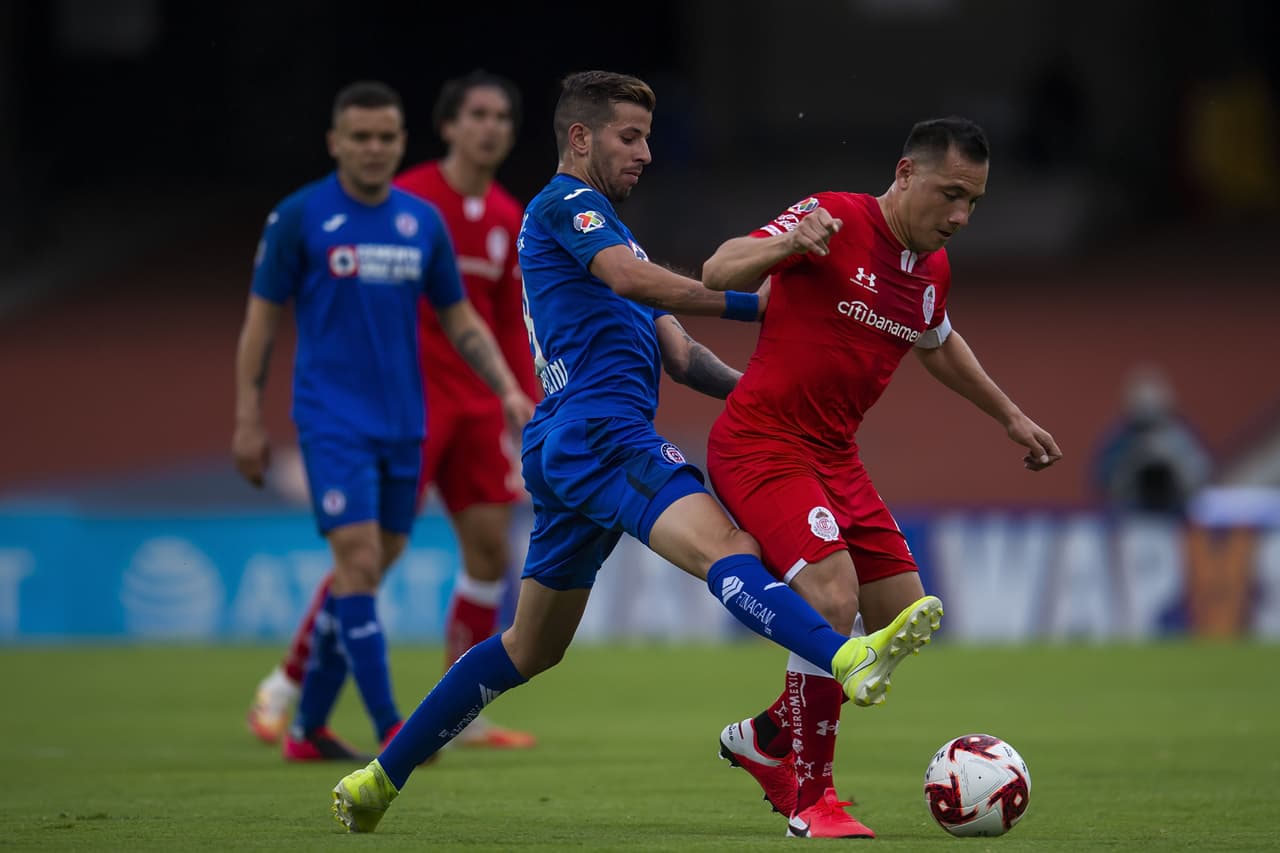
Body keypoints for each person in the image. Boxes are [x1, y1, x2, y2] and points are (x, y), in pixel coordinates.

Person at [329, 70, 943, 834]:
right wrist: (762, 299)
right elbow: (632, 282)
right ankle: (844, 656)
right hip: (602, 434)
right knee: (730, 548)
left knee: (528, 647)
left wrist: (766, 390)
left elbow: (682, 356)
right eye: (630, 137)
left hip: (570, 447)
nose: (646, 153)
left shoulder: (616, 236)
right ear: (580, 137)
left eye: (647, 138)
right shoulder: (566, 205)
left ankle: (379, 777)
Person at [700, 117, 1063, 838]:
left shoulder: (931, 271)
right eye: (950, 194)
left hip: (836, 456)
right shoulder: (832, 216)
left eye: (974, 202)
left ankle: (766, 737)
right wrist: (786, 244)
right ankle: (812, 801)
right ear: (905, 174)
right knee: (832, 597)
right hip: (762, 443)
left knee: (904, 610)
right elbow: (718, 270)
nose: (960, 216)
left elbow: (938, 341)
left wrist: (1011, 416)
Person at [233, 79, 535, 762]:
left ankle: (458, 710)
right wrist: (247, 415)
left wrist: (519, 395)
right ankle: (299, 687)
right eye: (477, 115)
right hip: (401, 401)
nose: (490, 128)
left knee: (489, 549)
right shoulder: (387, 201)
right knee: (368, 558)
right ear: (446, 127)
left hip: (466, 407)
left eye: (501, 117)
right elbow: (267, 317)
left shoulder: (499, 217)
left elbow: (493, 320)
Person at [1092, 364, 1212, 517]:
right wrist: (1135, 456)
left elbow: (1202, 474)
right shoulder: (1119, 437)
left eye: (1152, 398)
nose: (1148, 407)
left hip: (1176, 515)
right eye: (1141, 400)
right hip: (1132, 516)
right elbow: (1102, 478)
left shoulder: (1182, 436)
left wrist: (1170, 457)